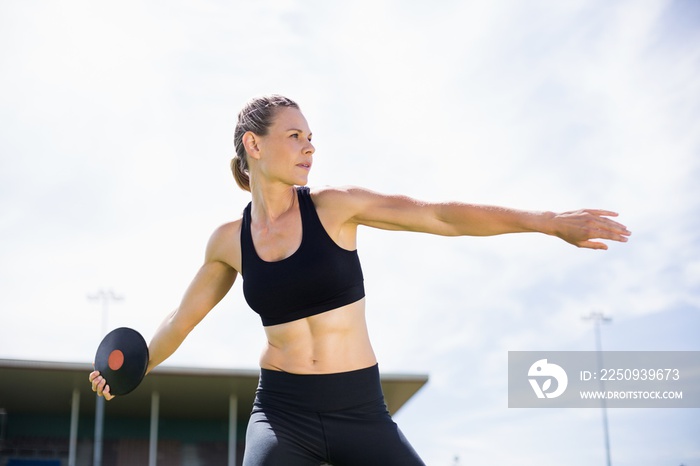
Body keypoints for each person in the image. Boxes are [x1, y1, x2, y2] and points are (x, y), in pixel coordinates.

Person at [90, 94, 631, 465]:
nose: (310, 146)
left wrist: (546, 223)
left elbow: (439, 216)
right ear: (253, 146)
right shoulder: (227, 241)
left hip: (359, 408)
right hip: (282, 411)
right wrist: (132, 367)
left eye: (311, 136)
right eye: (294, 135)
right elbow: (181, 319)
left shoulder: (335, 208)